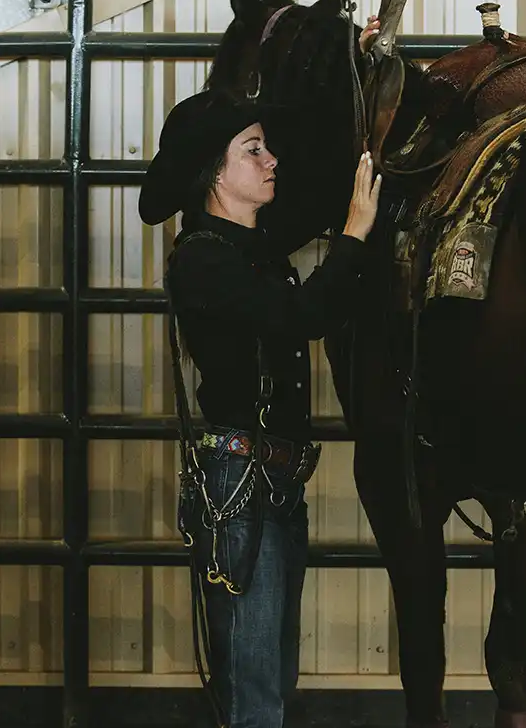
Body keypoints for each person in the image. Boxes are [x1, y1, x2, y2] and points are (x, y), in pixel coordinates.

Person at [138, 86, 381, 728]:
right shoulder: (203, 261)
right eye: (252, 150)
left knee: (272, 670)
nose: (270, 159)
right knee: (256, 686)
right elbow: (303, 316)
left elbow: (316, 183)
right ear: (213, 174)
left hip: (270, 482)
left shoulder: (250, 248)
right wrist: (354, 232)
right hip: (240, 487)